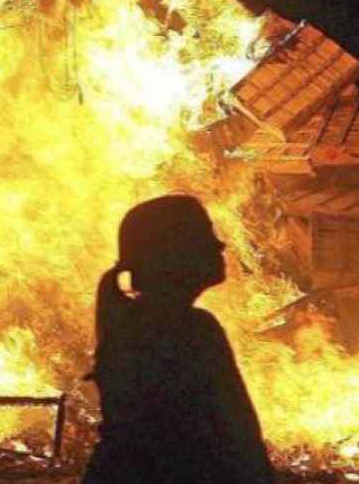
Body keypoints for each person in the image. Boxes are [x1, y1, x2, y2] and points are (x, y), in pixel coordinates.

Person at [83, 195, 273, 484]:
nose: (219, 245)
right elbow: (239, 435)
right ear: (175, 254)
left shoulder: (133, 326)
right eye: (204, 235)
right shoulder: (191, 331)